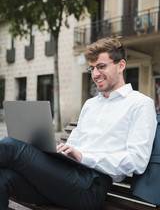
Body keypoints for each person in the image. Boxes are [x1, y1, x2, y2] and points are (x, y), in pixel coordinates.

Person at [0, 38, 157, 210]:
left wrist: (84, 157)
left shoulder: (140, 104)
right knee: (4, 178)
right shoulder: (90, 104)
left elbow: (137, 161)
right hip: (65, 176)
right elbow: (73, 143)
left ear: (121, 65)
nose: (95, 74)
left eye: (101, 66)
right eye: (92, 68)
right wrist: (60, 150)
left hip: (90, 186)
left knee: (10, 146)